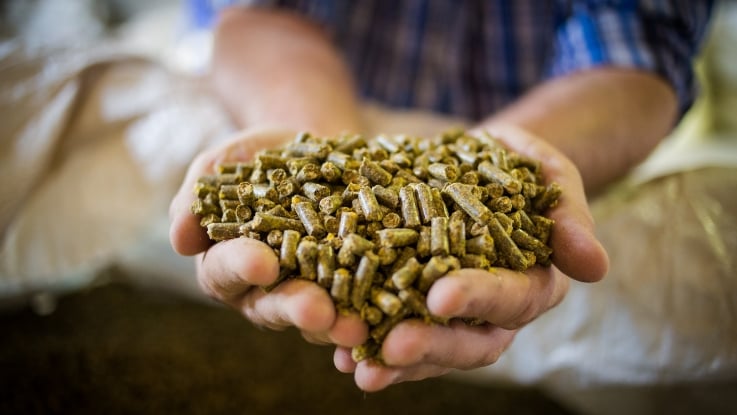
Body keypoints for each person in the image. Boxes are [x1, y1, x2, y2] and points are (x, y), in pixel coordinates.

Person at [168, 0, 713, 393]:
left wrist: (511, 162)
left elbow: (639, 50)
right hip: (309, 95)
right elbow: (255, 15)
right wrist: (312, 137)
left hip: (560, 127)